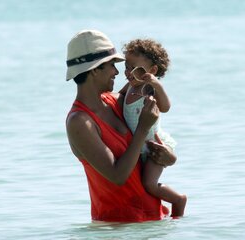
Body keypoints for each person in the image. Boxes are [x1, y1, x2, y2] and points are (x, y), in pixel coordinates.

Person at [65, 29, 177, 222]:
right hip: (117, 228)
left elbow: (148, 144)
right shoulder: (80, 122)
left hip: (154, 222)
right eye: (111, 65)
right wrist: (142, 129)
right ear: (95, 69)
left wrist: (169, 157)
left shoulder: (118, 102)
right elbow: (117, 175)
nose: (117, 72)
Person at [119, 39, 187, 217]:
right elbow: (115, 98)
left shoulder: (148, 89)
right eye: (127, 67)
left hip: (154, 147)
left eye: (136, 69)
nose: (129, 73)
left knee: (149, 184)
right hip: (139, 145)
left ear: (152, 71)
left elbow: (165, 107)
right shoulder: (130, 87)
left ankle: (178, 200)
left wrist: (157, 85)